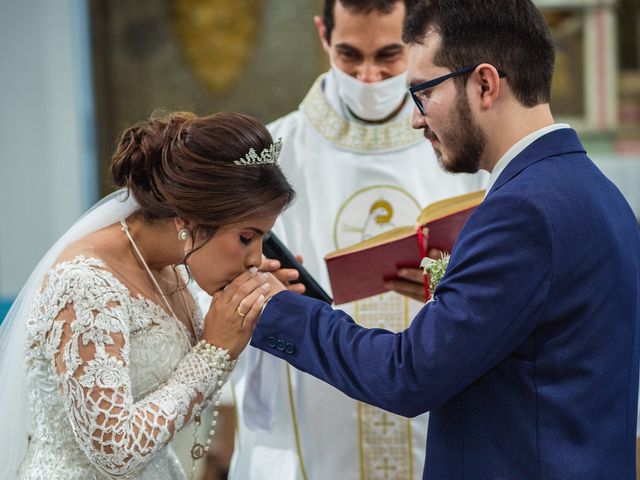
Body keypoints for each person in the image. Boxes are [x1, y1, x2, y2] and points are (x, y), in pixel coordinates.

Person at [245, 0, 640, 477]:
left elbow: (408, 376)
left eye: (424, 92)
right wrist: (453, 293)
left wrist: (276, 307)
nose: (415, 118)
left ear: (485, 84)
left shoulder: (520, 212)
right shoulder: (597, 190)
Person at [220, 1, 486, 479]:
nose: (367, 76)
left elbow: (494, 281)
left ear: (419, 40)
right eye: (349, 55)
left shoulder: (460, 149)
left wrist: (444, 277)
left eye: (387, 56)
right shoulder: (270, 156)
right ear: (323, 33)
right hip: (311, 411)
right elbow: (211, 285)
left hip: (434, 405)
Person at [0, 111, 295, 479]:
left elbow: (185, 381)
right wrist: (215, 351)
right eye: (247, 238)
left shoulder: (169, 266)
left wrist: (248, 313)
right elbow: (115, 451)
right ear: (190, 219)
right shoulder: (86, 283)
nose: (256, 259)